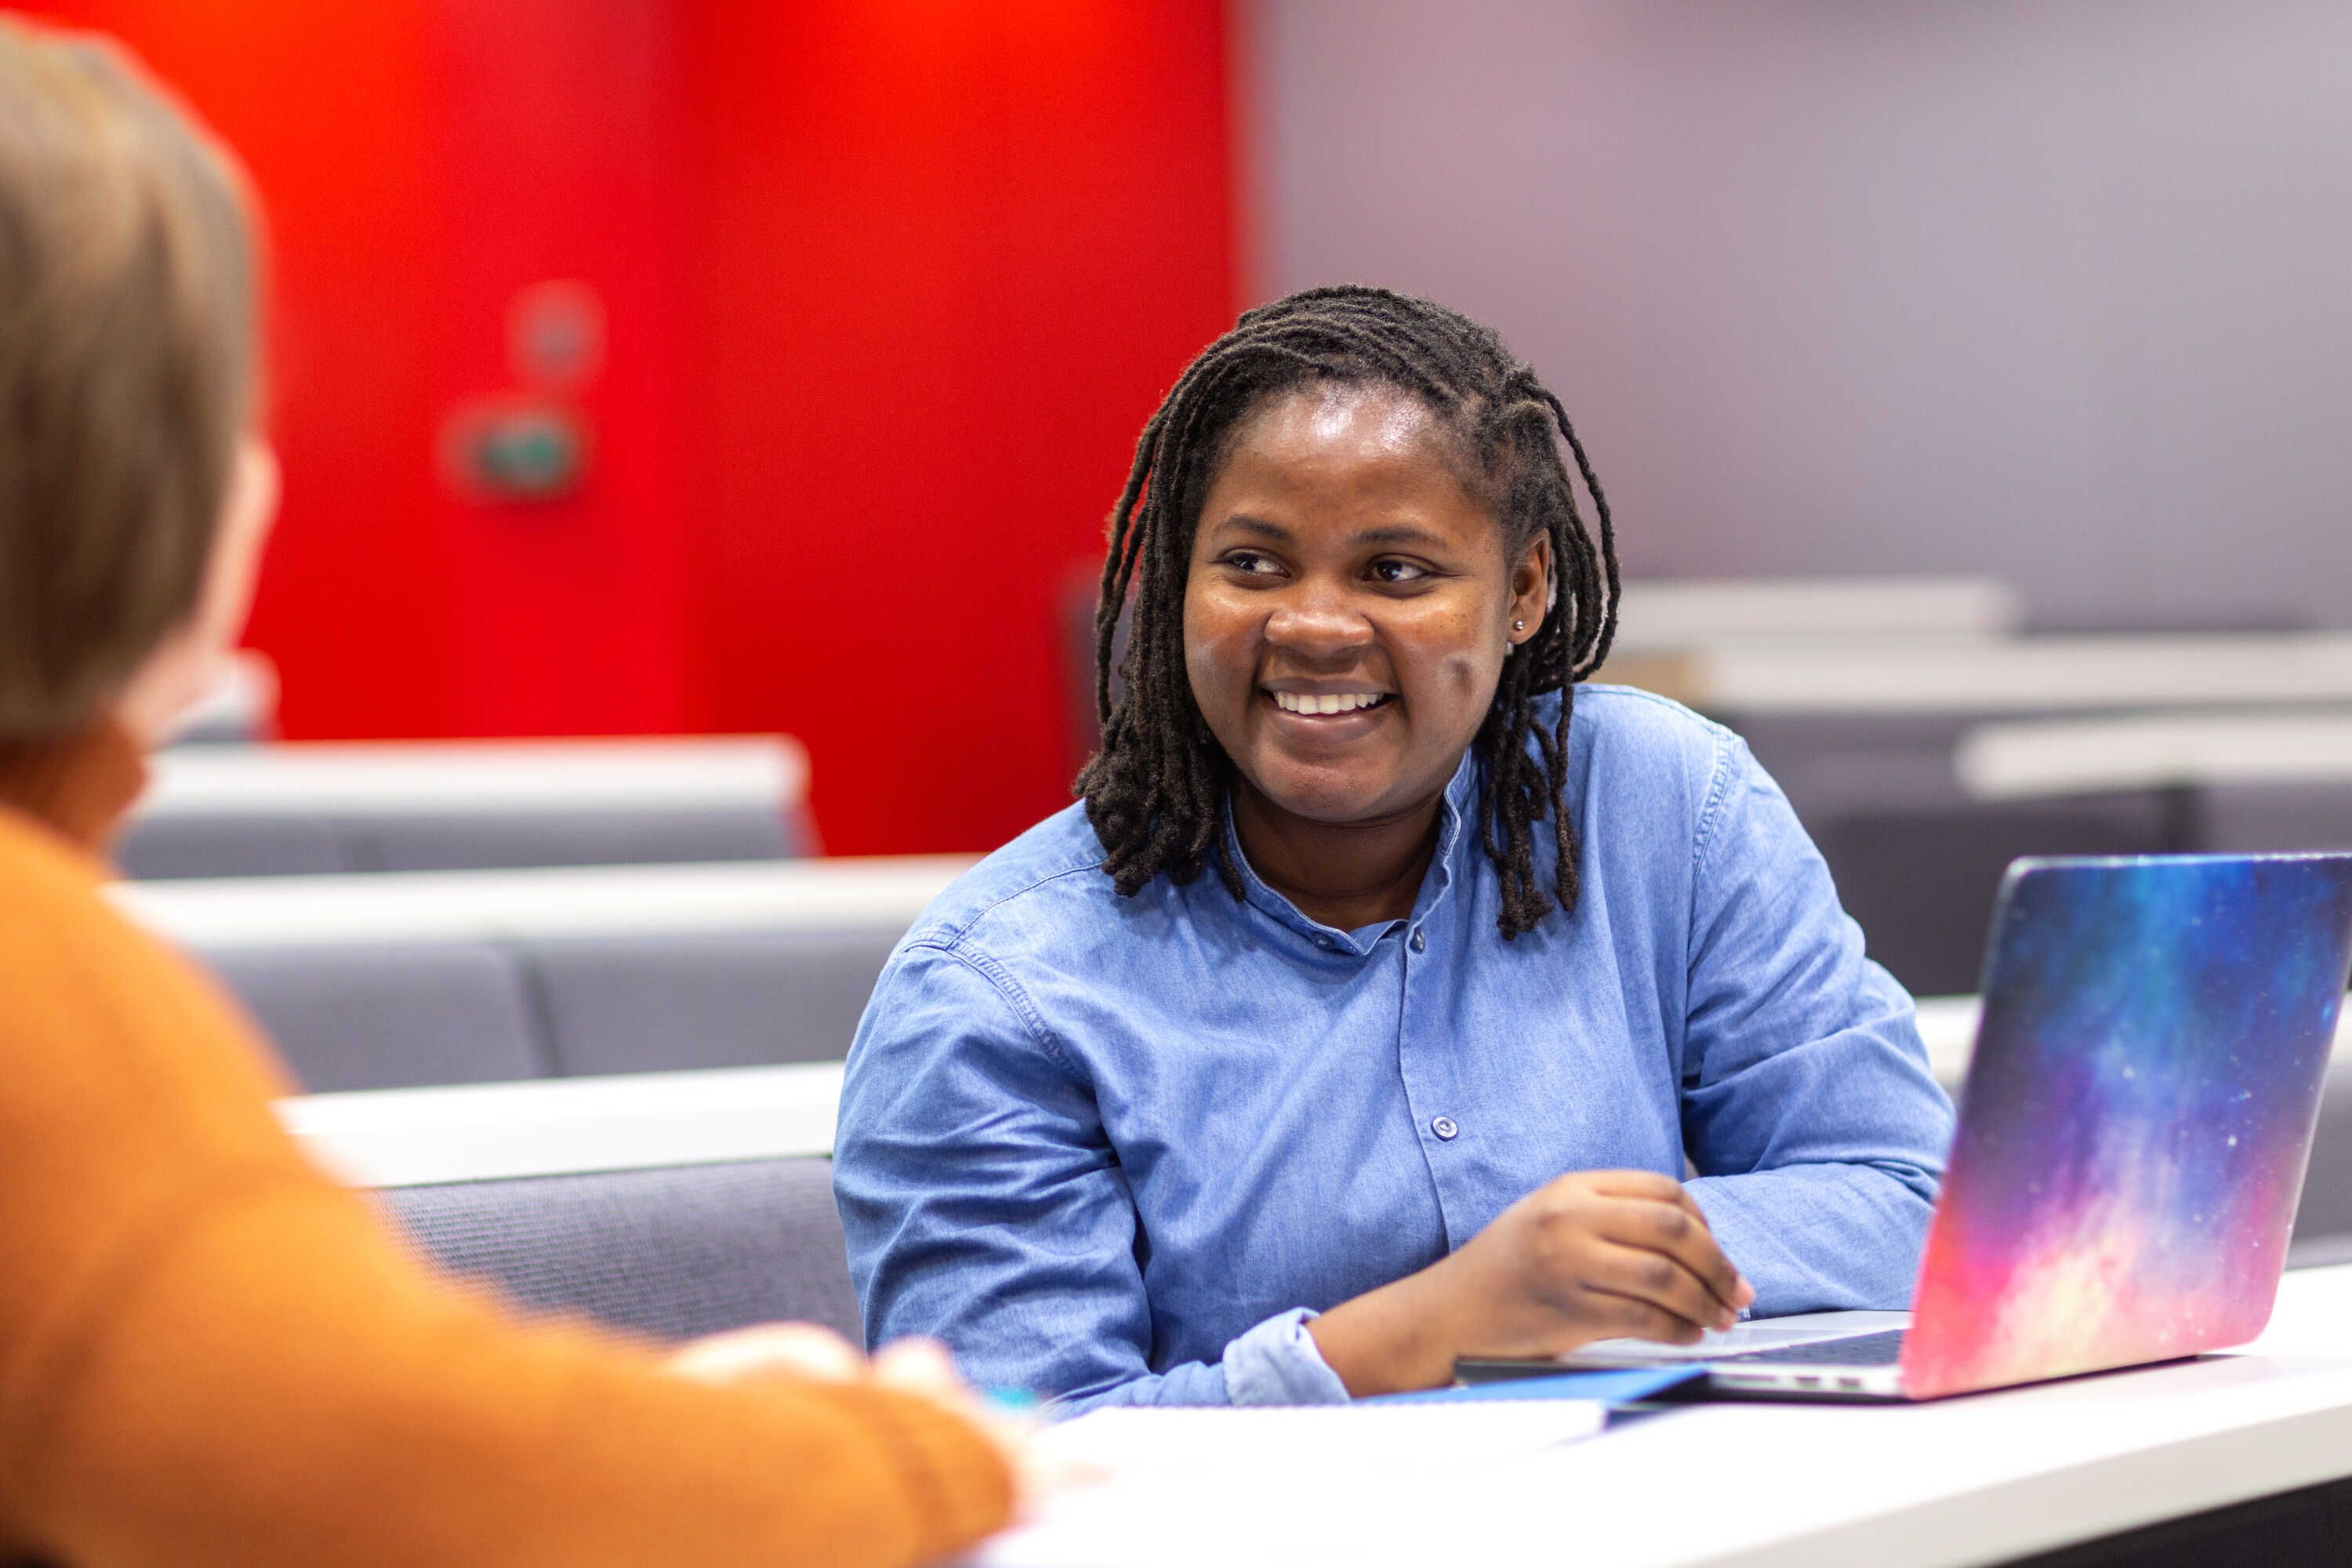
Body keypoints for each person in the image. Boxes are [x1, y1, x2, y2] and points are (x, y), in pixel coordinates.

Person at [0, 20, 1018, 1566]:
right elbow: (384, 1490)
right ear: (134, 478)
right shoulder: (45, 989)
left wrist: (628, 1422)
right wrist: (912, 1452)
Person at [836, 285, 1958, 1408]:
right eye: (1254, 565)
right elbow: (1014, 1467)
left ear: (1522, 591)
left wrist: (1604, 1267)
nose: (1315, 626)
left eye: (1395, 572)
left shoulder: (1667, 808)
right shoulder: (997, 994)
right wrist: (1431, 1326)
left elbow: (1910, 1193)